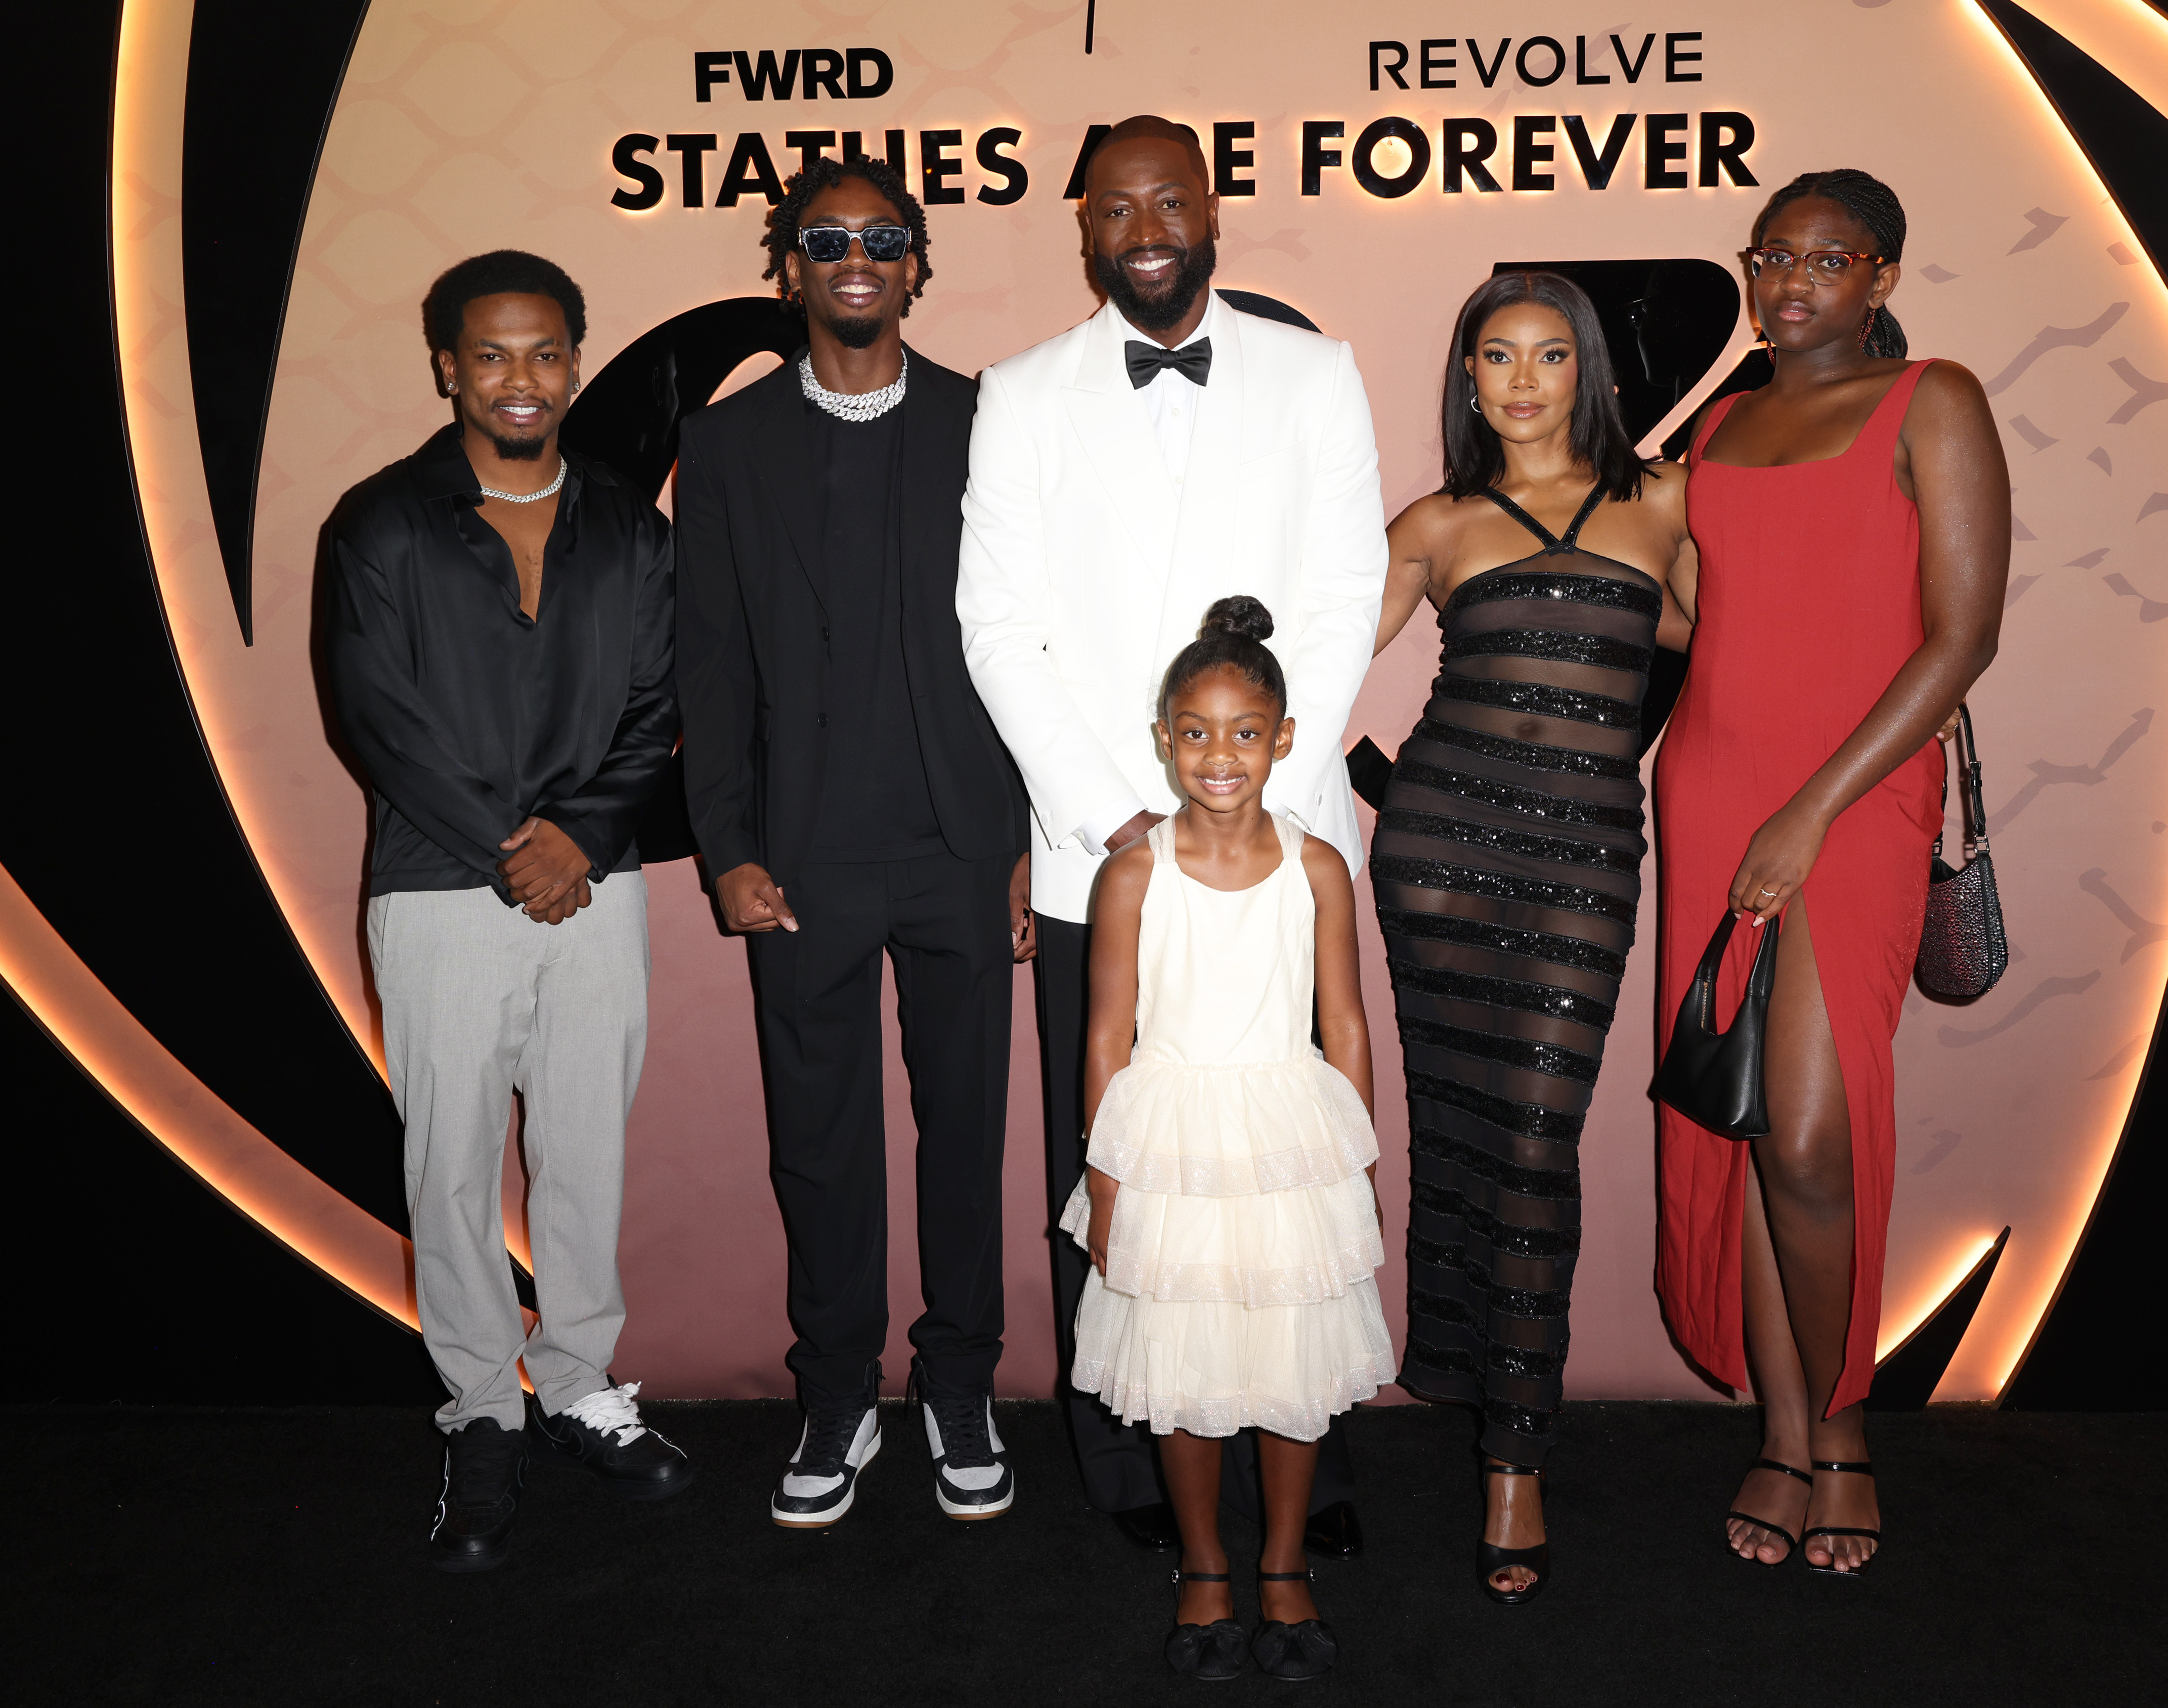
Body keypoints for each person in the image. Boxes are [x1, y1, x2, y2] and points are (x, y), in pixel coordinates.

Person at [957, 115, 1386, 1554]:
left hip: (1282, 854)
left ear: (1215, 211)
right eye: (1118, 204)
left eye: (1171, 197)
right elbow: (997, 627)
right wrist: (1114, 815)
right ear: (1085, 227)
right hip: (1106, 859)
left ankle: (1300, 1470)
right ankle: (1135, 1474)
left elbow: (1344, 590)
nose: (1147, 223)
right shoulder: (1021, 395)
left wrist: (1256, 787)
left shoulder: (1318, 372)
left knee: (1283, 1160)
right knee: (1118, 1162)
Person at [1656, 169, 2007, 1578]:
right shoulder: (1727, 423)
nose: (1791, 280)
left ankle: (1847, 1428)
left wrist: (1809, 811)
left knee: (1812, 1126)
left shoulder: (1937, 398)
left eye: (1827, 258)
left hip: (1849, 795)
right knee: (1740, 1114)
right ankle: (1783, 1431)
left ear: (1880, 275)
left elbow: (1962, 637)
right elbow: (1695, 607)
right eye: (1772, 256)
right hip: (1710, 780)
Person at [674, 155, 1031, 1528]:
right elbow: (707, 662)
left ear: (918, 263)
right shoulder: (728, 444)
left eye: (885, 236)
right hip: (801, 858)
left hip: (963, 843)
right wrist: (725, 847)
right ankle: (837, 1388)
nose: (857, 258)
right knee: (817, 1144)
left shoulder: (991, 420)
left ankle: (957, 1381)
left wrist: (1025, 838)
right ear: (789, 268)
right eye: (827, 239)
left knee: (962, 1135)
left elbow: (1027, 642)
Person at [323, 250, 692, 1572]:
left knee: (587, 1149)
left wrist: (580, 838)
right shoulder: (379, 527)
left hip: (596, 885)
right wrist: (507, 847)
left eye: (544, 352)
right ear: (447, 367)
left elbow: (660, 708)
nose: (519, 378)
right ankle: (481, 1407)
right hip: (437, 888)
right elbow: (377, 716)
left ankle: (581, 1381)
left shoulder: (634, 533)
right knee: (454, 1163)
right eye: (491, 354)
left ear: (576, 363)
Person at [1370, 272, 1696, 1603]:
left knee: (1535, 1140)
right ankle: (1495, 1429)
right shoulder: (1434, 522)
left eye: (1548, 354)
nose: (1519, 379)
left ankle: (1517, 1443)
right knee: (1458, 1128)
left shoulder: (1668, 500)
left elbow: (1731, 639)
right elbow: (1303, 668)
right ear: (1466, 380)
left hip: (1583, 863)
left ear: (1591, 373)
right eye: (1493, 355)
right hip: (1441, 851)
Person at [1063, 599, 1394, 1682]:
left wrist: (1359, 1162)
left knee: (1289, 1366)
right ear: (1163, 737)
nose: (1219, 754)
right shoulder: (1132, 875)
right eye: (1195, 732)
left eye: (1244, 732)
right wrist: (1106, 1184)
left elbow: (1343, 1021)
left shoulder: (1317, 870)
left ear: (1284, 738)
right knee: (1183, 1366)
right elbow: (1107, 1037)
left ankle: (1286, 1565)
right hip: (1165, 1148)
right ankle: (1205, 1567)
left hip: (1287, 1141)